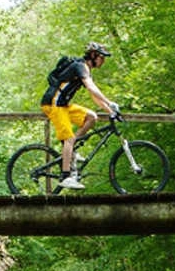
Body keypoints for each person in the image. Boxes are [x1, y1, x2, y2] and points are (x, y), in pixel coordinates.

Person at [39, 42, 120, 189]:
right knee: (69, 138)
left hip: (63, 105)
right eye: (102, 57)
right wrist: (110, 102)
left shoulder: (85, 69)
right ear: (94, 55)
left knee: (91, 117)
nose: (103, 61)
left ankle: (71, 150)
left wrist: (111, 111)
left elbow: (94, 96)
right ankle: (65, 176)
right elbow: (91, 87)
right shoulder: (80, 67)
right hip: (53, 104)